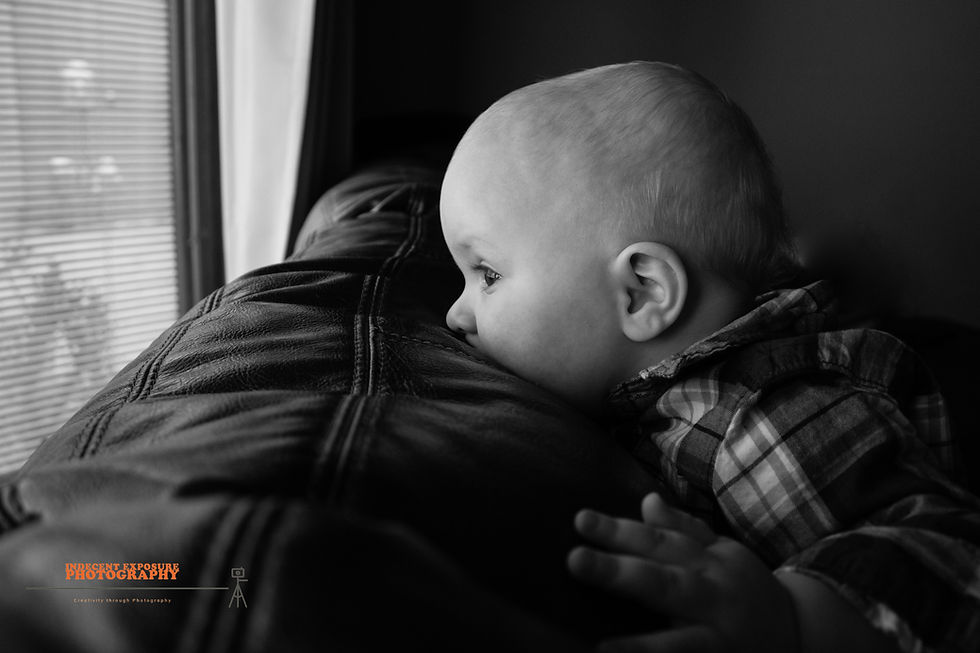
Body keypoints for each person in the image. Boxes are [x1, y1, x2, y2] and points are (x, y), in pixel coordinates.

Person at [439, 61, 980, 652]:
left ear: (642, 292)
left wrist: (791, 621)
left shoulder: (762, 412)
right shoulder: (666, 399)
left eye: (486, 274)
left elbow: (953, 561)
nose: (454, 316)